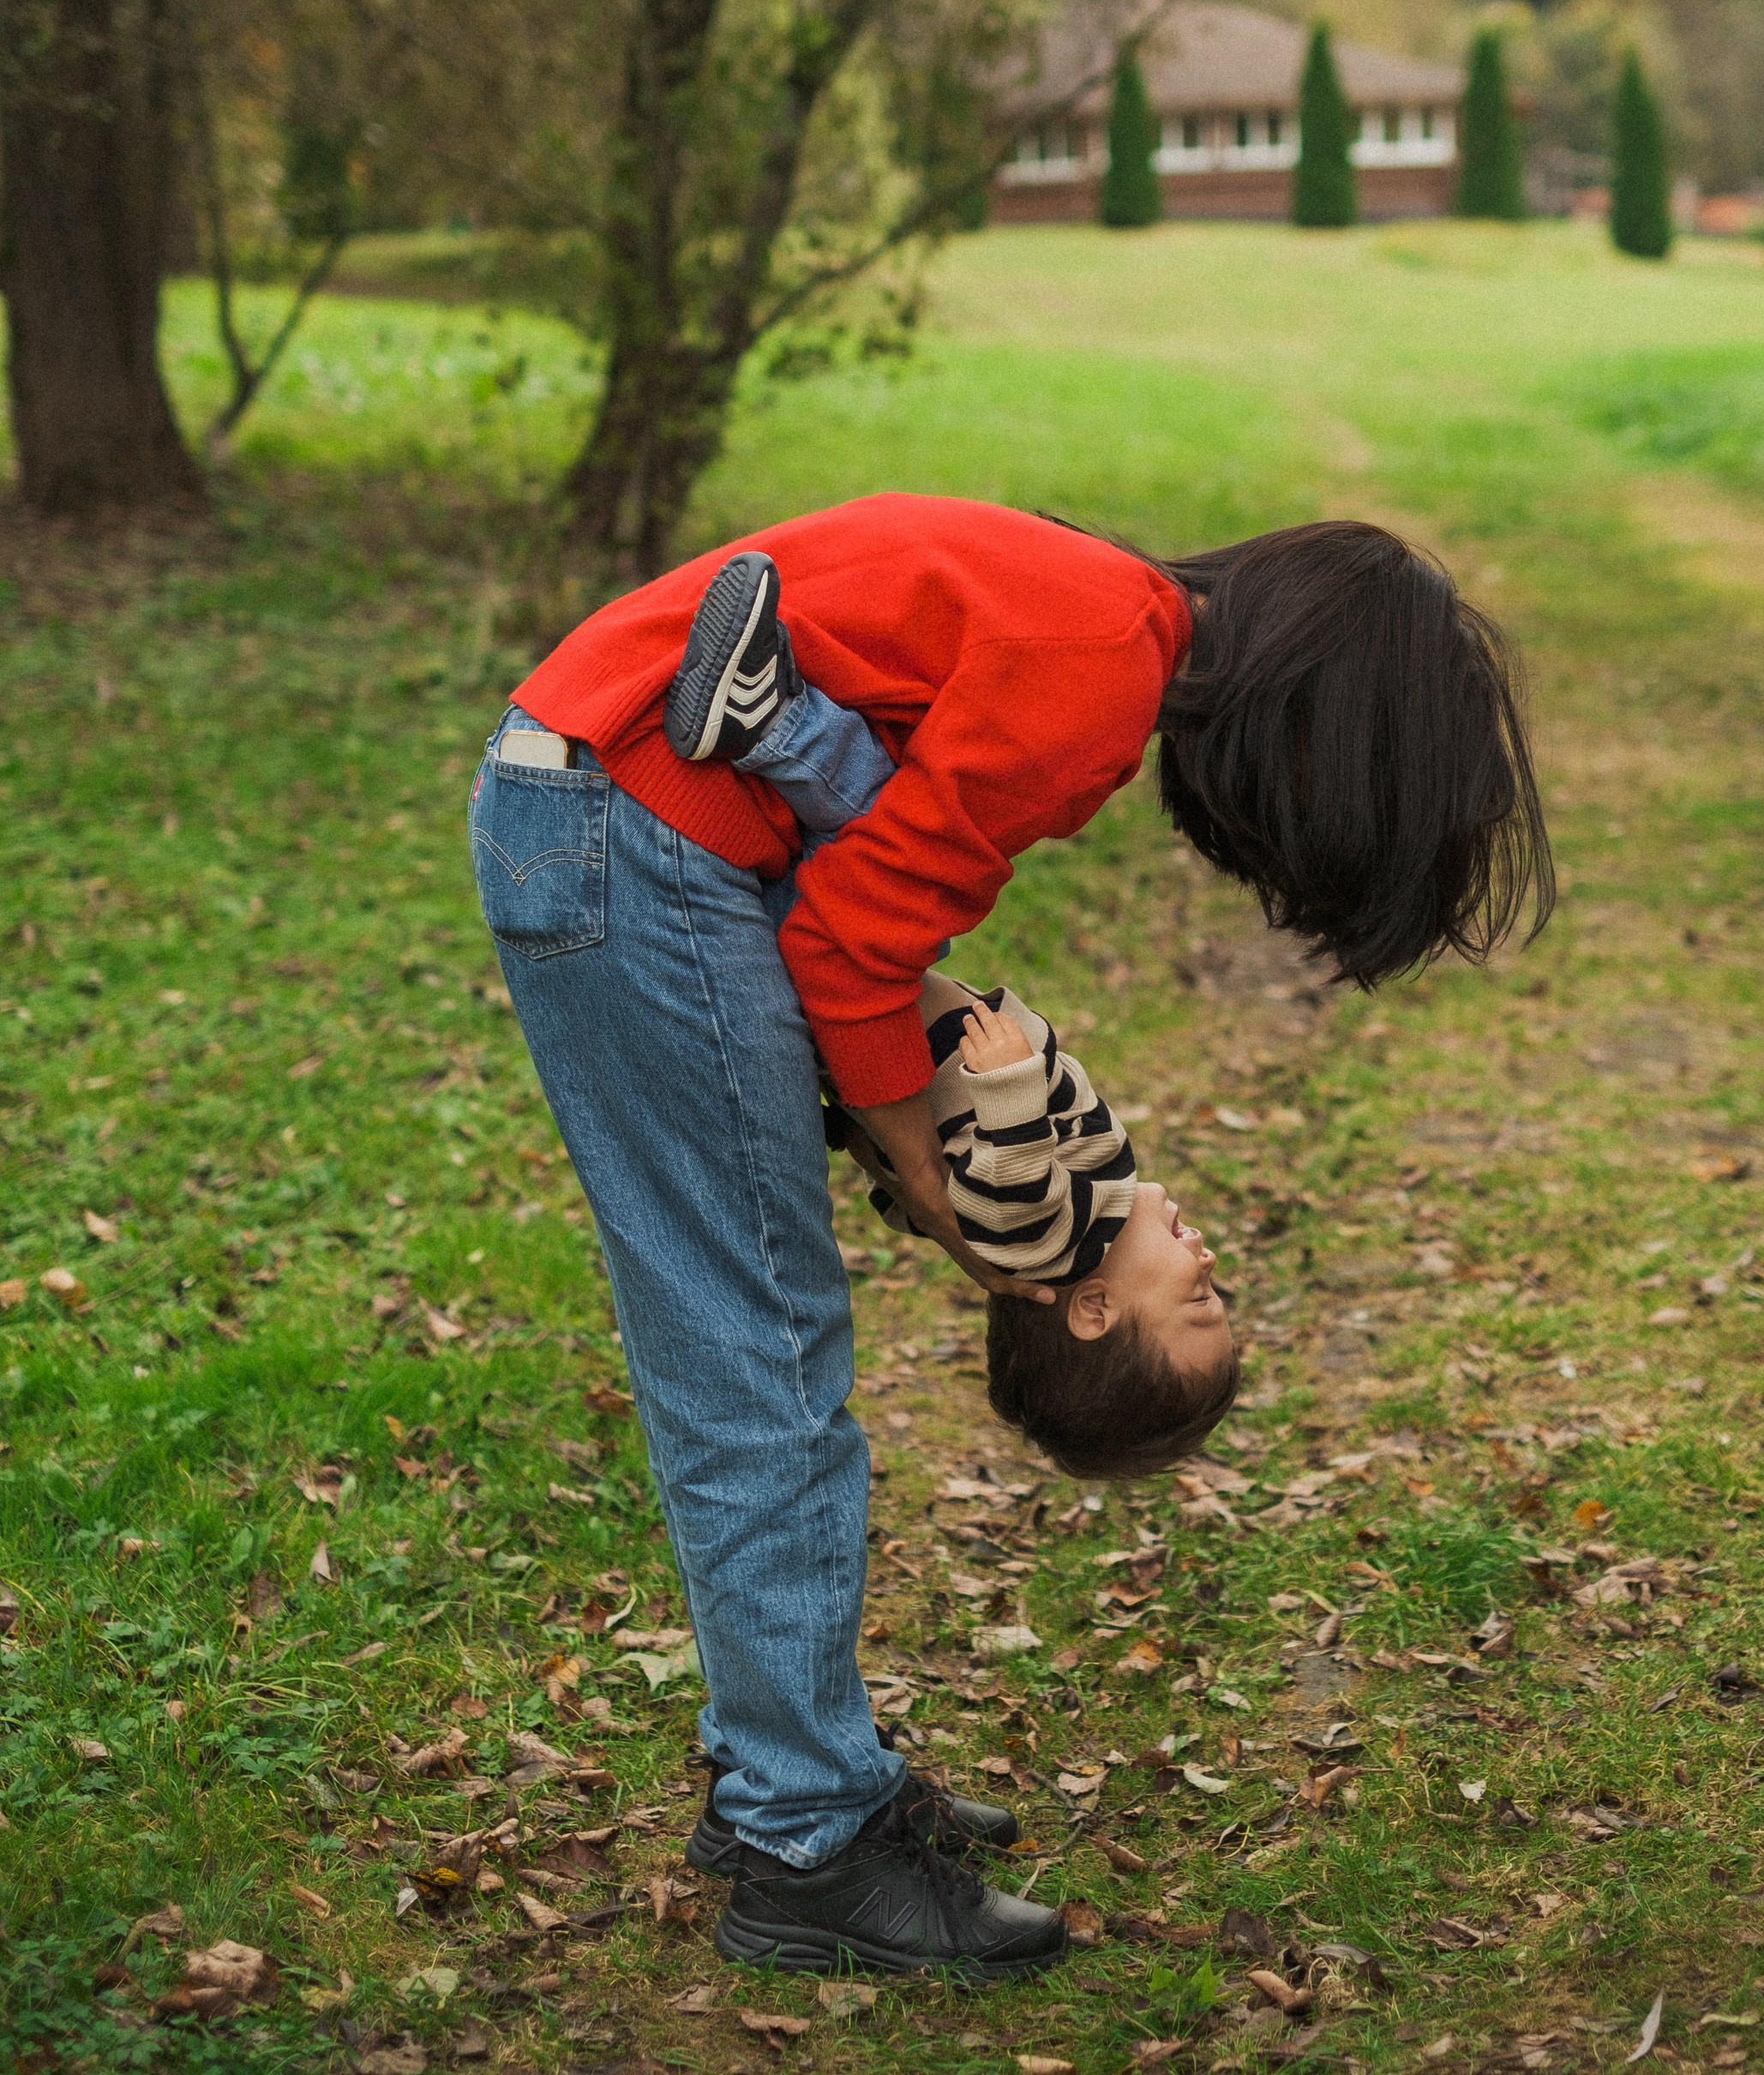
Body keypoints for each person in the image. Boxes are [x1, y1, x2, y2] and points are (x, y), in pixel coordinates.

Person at [468, 494, 1551, 1980]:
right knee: (762, 1357)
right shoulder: (1100, 667)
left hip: (614, 802)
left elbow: (882, 903)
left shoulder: (1106, 615)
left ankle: (778, 1772)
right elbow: (850, 944)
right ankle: (806, 1850)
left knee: (753, 1346)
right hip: (635, 833)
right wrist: (921, 1164)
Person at [663, 552, 1238, 1476]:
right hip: (869, 1020)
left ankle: (774, 716)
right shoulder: (1070, 1227)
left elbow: (1005, 1184)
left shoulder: (1049, 1241)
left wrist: (1008, 1083)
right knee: (851, 859)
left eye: (1197, 1302)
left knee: (876, 826)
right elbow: (923, 1195)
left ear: (1092, 1310)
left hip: (890, 1021)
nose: (1211, 1268)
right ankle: (777, 717)